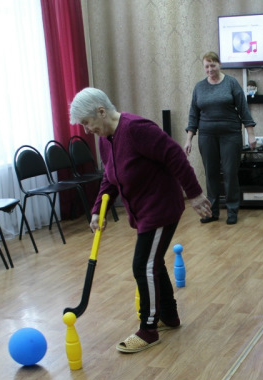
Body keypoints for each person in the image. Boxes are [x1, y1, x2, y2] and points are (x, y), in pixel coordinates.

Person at [69, 88, 212, 354]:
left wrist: (194, 193)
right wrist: (97, 208)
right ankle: (169, 317)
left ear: (101, 111)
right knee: (152, 263)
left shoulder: (136, 128)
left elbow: (175, 155)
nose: (87, 130)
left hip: (160, 207)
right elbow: (109, 177)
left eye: (87, 123)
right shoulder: (106, 138)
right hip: (143, 211)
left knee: (142, 266)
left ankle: (148, 330)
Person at [185, 51, 257, 225]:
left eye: (213, 65)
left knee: (230, 172)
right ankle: (213, 211)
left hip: (230, 134)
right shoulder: (199, 87)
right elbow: (193, 115)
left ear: (220, 65)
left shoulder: (231, 83)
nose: (210, 69)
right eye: (207, 66)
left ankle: (232, 210)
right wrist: (189, 139)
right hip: (207, 135)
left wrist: (250, 134)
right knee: (211, 174)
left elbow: (243, 109)